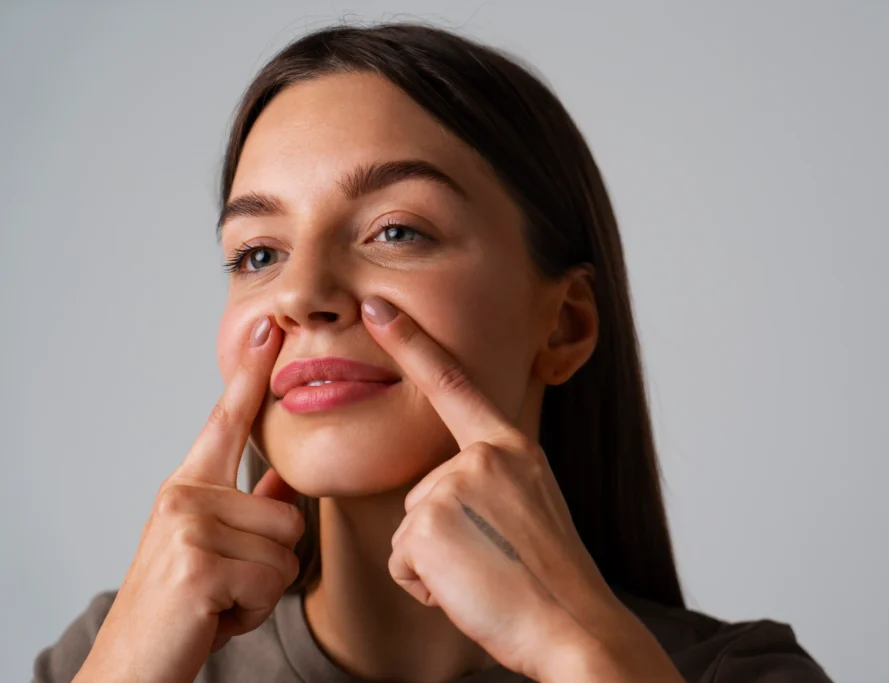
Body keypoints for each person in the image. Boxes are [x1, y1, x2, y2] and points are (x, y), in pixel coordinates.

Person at [32, 22, 832, 683]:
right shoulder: (110, 653)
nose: (303, 292)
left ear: (565, 325)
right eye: (258, 253)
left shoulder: (739, 672)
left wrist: (582, 657)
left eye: (396, 231)